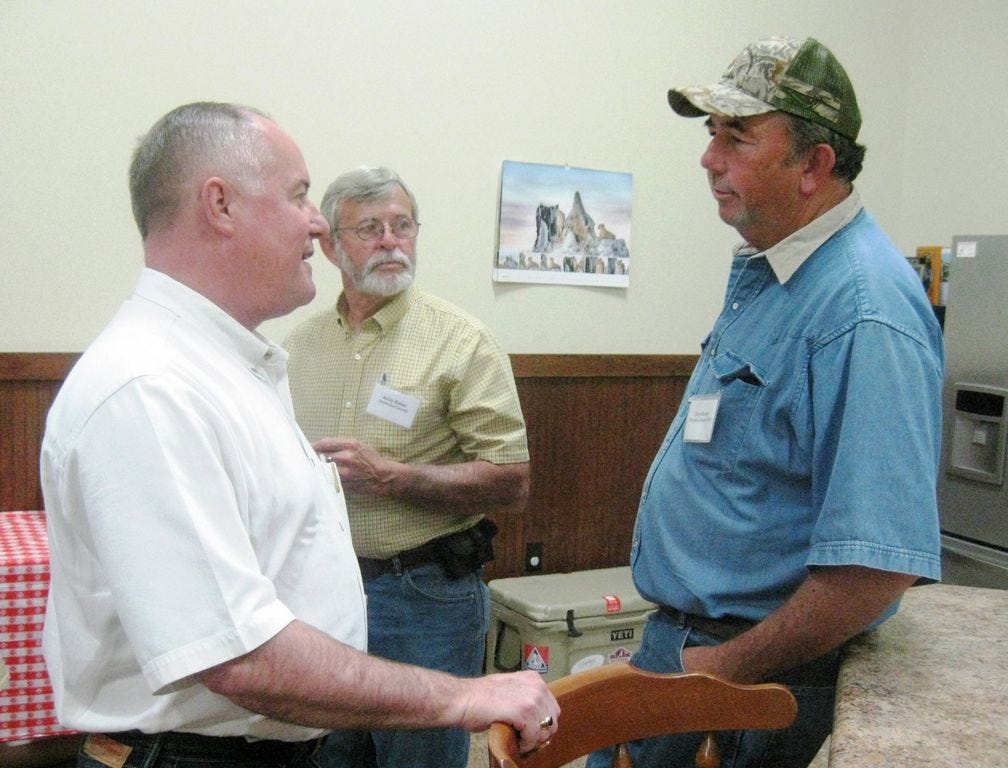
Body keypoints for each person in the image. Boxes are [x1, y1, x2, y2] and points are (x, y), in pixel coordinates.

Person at [40, 102, 557, 768]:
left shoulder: (236, 364)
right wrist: (463, 698)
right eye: (298, 196)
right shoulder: (152, 388)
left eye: (400, 225)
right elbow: (240, 656)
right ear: (220, 205)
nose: (316, 224)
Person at [589, 38, 945, 768]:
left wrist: (720, 674)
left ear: (815, 165)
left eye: (738, 137)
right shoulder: (777, 270)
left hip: (753, 680)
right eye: (711, 134)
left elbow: (872, 569)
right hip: (694, 652)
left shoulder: (861, 309)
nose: (709, 158)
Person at [284, 166, 530, 768]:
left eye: (403, 226)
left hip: (424, 596)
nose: (391, 241)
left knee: (418, 756)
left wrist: (393, 478)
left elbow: (511, 479)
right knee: (327, 751)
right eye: (370, 229)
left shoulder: (461, 341)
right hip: (322, 589)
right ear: (331, 246)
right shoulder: (297, 348)